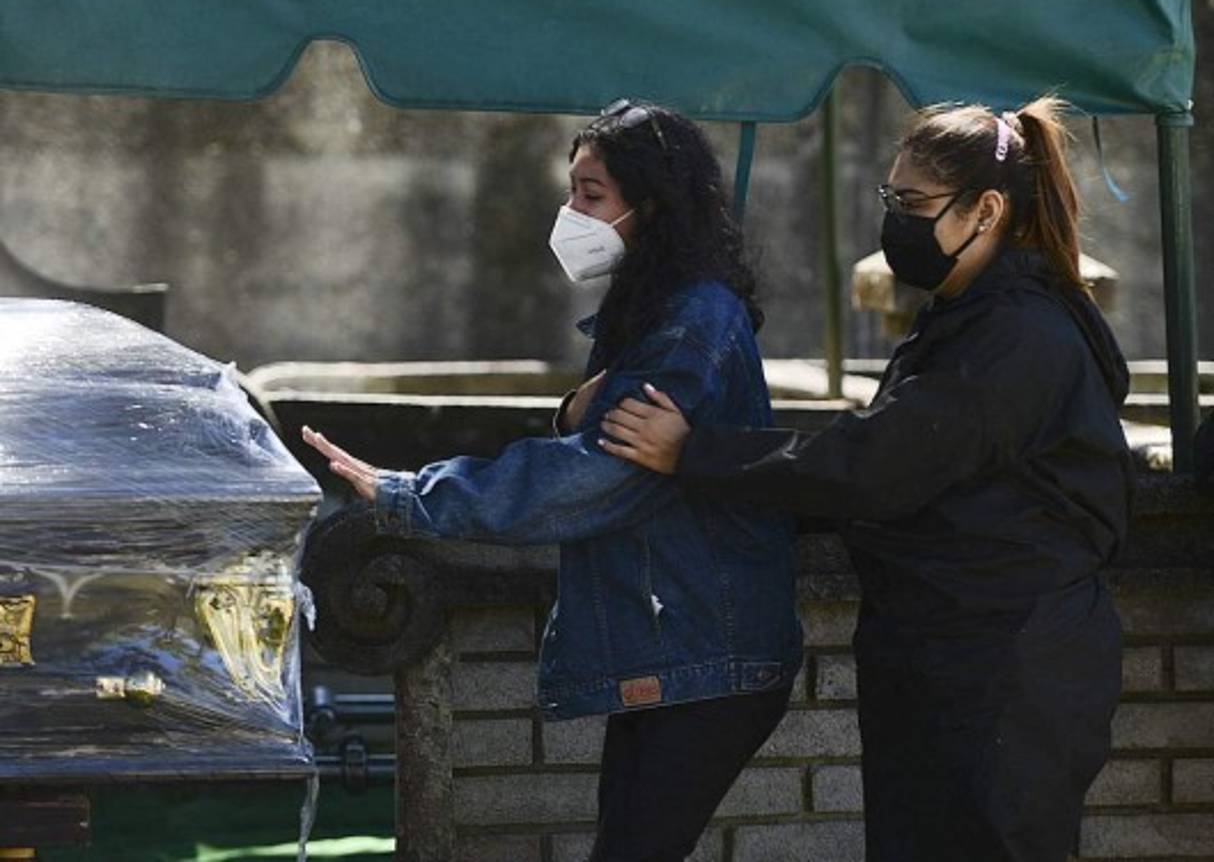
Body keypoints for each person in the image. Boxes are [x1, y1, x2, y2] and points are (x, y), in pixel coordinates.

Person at [599, 97, 1132, 862]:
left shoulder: (1018, 333)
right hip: (952, 658)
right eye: (892, 200)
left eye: (912, 204)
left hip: (1005, 670)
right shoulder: (972, 313)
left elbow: (877, 465)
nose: (896, 222)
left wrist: (696, 453)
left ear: (986, 210)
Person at [303, 100, 802, 861]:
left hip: (705, 651)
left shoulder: (693, 317)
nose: (571, 212)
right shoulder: (657, 308)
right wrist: (574, 411)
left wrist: (418, 495)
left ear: (653, 205)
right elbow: (604, 439)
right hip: (678, 646)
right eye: (572, 191)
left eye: (591, 195)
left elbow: (602, 475)